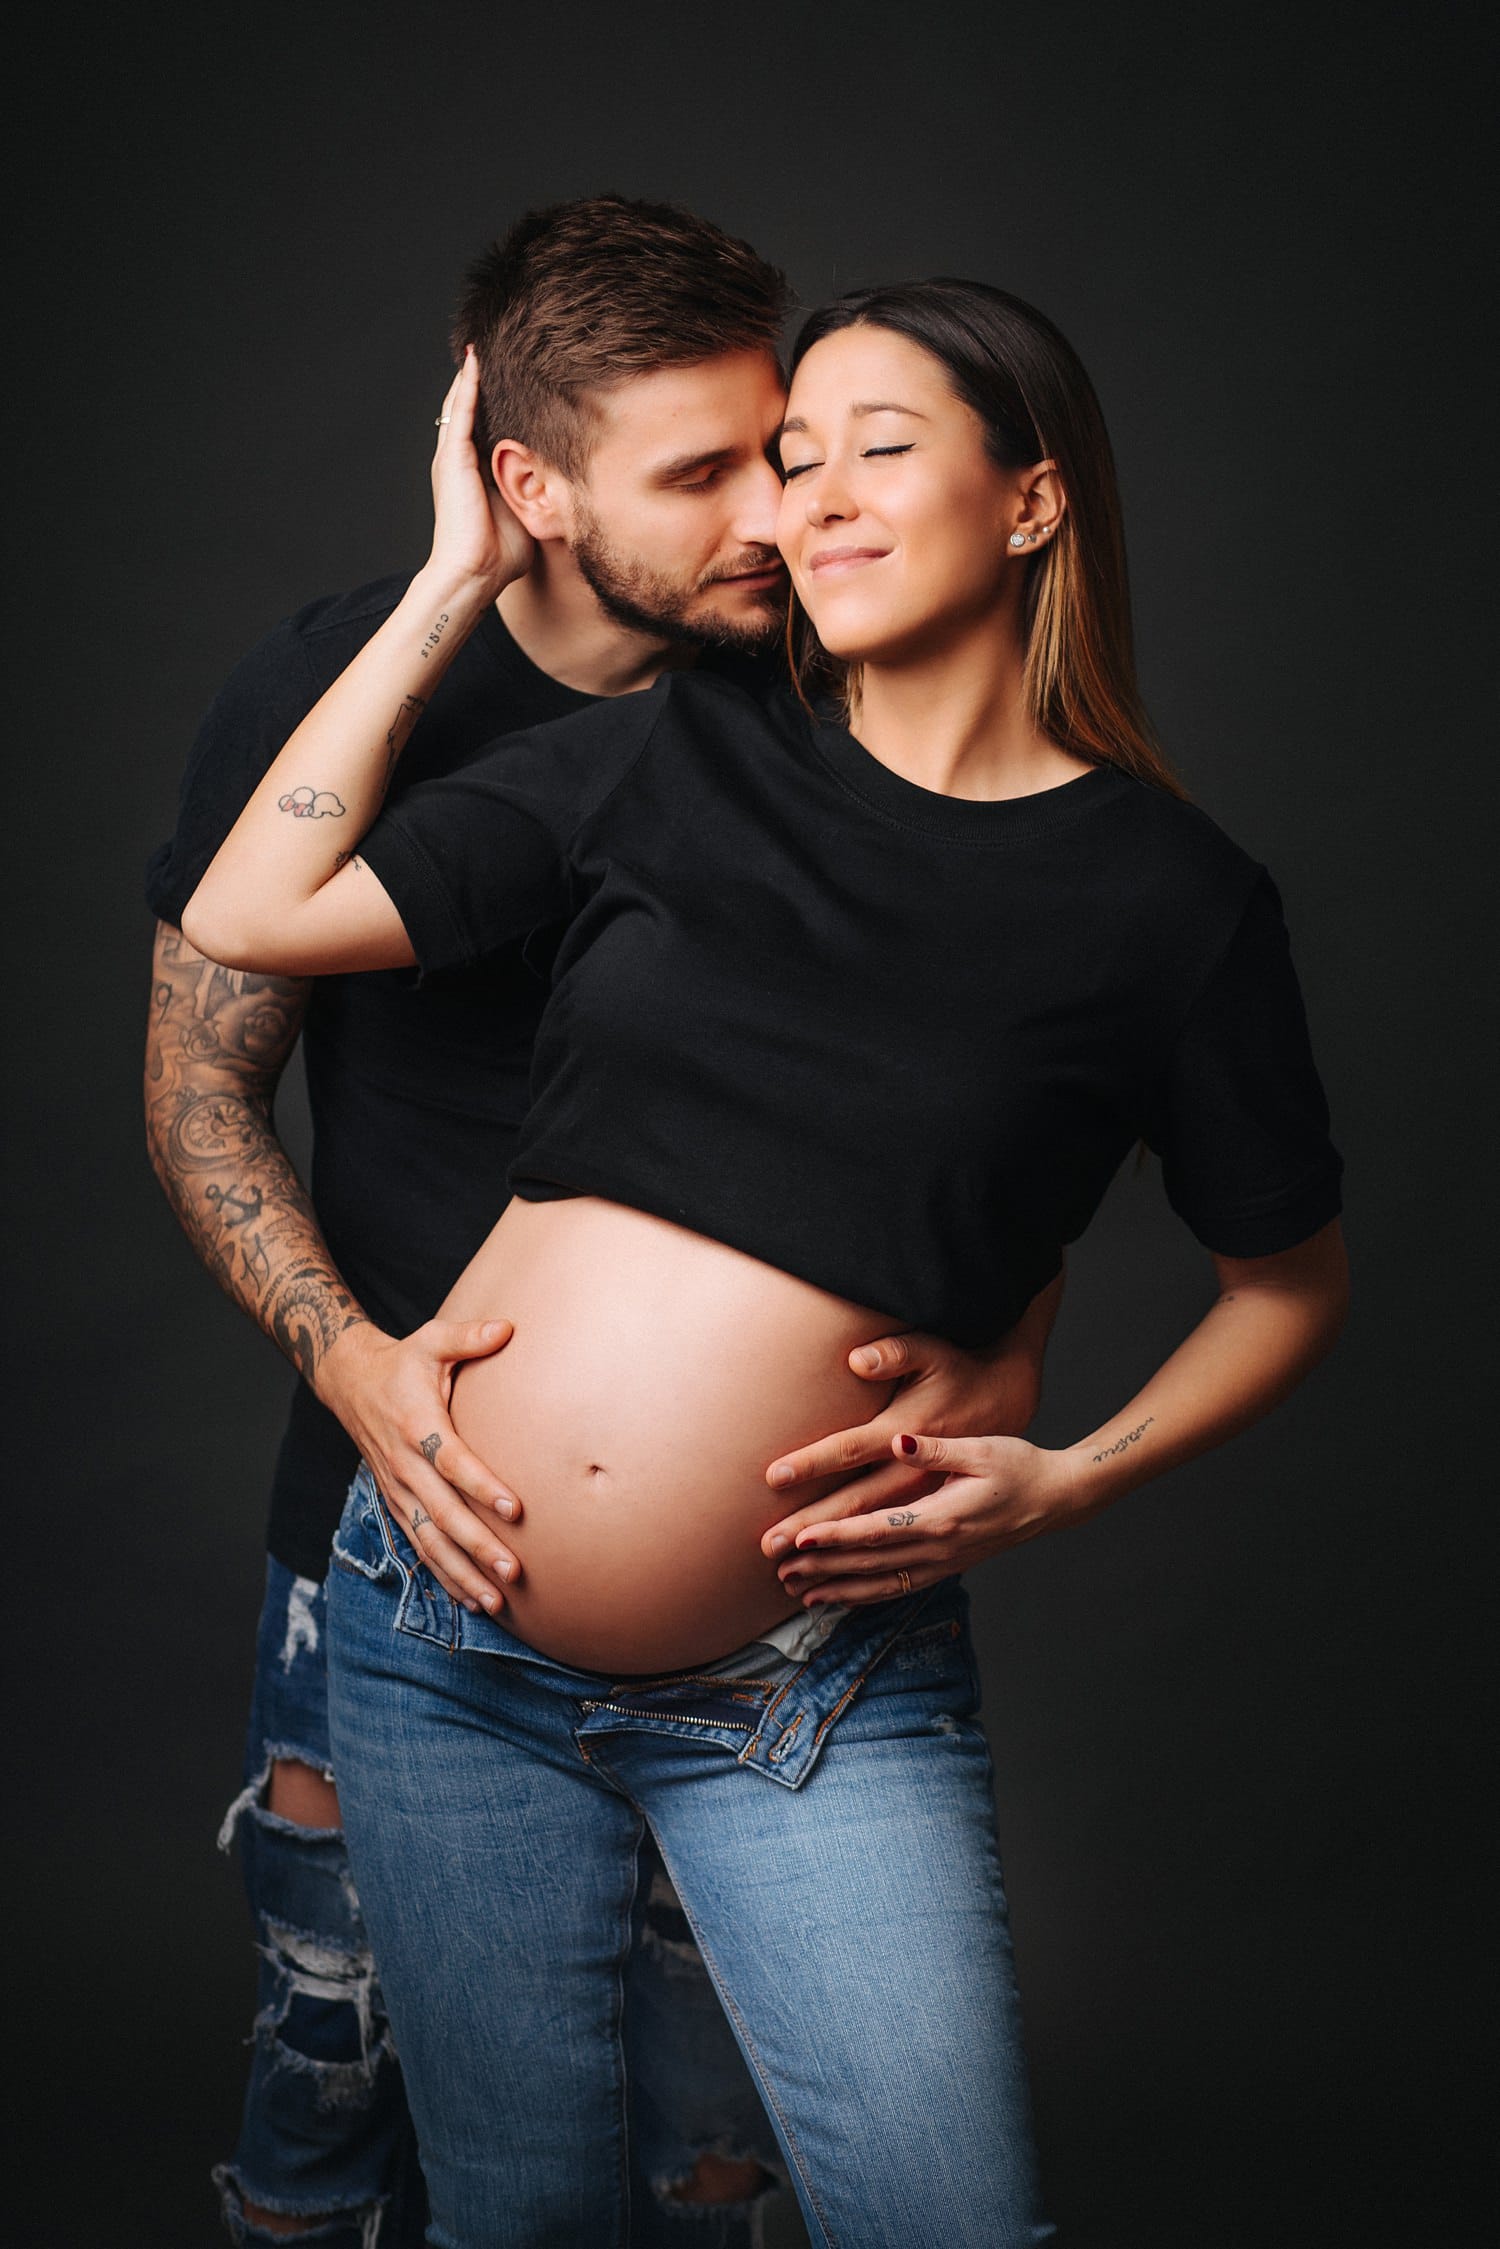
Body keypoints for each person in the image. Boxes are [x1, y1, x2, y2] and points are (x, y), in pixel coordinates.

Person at [183, 277, 1348, 2247]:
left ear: (1036, 502)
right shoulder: (680, 746)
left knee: (939, 2221)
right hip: (437, 1623)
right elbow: (254, 902)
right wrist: (457, 570)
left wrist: (1063, 1478)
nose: (816, 498)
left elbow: (1288, 1282)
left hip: (812, 1682)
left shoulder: (1175, 903)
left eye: (880, 449)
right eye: (794, 463)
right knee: (519, 2223)